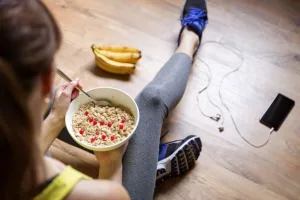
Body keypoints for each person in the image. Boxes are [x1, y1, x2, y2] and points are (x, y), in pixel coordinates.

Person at [0, 0, 207, 199]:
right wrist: (112, 162)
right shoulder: (96, 195)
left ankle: (147, 159)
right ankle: (190, 37)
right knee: (151, 101)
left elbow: (23, 166)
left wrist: (55, 117)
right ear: (47, 79)